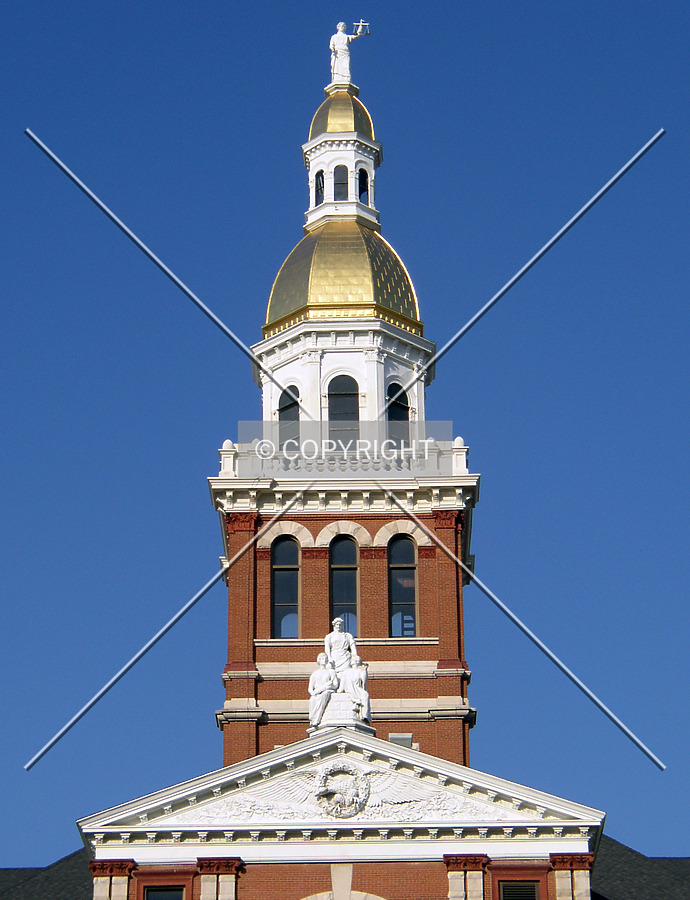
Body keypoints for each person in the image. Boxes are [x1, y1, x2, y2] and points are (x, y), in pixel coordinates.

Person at [308, 653, 338, 726]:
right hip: (317, 692)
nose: (323, 660)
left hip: (327, 691)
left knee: (323, 696)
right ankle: (312, 718)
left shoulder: (331, 672)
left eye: (325, 658)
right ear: (319, 660)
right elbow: (310, 688)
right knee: (312, 700)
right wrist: (313, 693)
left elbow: (335, 685)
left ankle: (317, 719)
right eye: (322, 659)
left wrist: (327, 687)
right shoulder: (315, 674)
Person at [339, 654, 371, 722]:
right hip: (349, 689)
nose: (353, 661)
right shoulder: (346, 671)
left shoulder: (360, 671)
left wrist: (365, 670)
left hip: (357, 689)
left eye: (355, 660)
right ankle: (357, 704)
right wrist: (340, 690)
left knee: (365, 695)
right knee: (364, 695)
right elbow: (342, 683)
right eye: (353, 660)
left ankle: (364, 715)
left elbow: (364, 682)